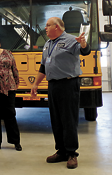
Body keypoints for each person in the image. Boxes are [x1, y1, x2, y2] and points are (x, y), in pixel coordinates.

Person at [31, 17, 90, 169]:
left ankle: (71, 153)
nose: (45, 28)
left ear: (56, 27)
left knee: (68, 119)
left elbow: (84, 51)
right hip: (53, 85)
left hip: (68, 84)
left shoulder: (71, 40)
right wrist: (36, 84)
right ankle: (61, 151)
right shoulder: (48, 43)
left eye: (48, 25)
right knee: (56, 119)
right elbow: (43, 67)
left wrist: (83, 43)